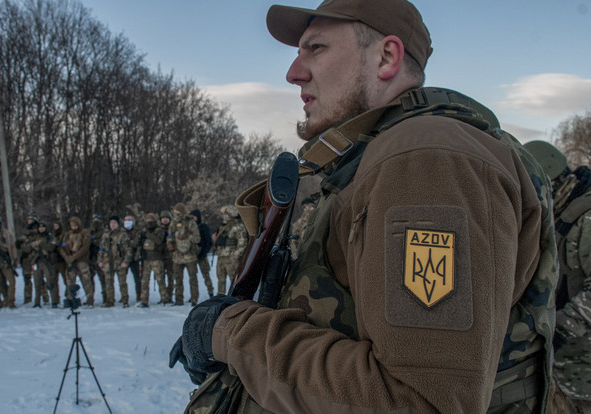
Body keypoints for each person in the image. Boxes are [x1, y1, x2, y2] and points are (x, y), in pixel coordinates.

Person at [169, 1, 559, 412]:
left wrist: (229, 333)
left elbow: (419, 401)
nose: (293, 73)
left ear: (387, 57)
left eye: (315, 49)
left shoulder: (426, 159)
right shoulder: (377, 159)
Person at [525, 140, 591, 413]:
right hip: (564, 365)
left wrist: (560, 329)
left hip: (582, 369)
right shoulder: (560, 212)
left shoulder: (586, 219)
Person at [166, 203, 201, 306]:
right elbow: (170, 235)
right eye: (175, 213)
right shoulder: (173, 223)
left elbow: (197, 239)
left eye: (178, 213)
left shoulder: (191, 223)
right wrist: (170, 242)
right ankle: (179, 299)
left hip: (190, 256)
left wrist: (187, 236)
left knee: (193, 278)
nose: (176, 215)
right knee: (177, 279)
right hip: (177, 256)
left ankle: (194, 298)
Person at [212, 205, 248, 296]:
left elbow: (243, 243)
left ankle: (236, 299)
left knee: (234, 281)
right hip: (221, 257)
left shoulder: (238, 226)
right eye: (223, 214)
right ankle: (220, 297)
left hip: (231, 259)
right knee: (220, 279)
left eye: (226, 214)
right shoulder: (223, 226)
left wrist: (235, 256)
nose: (224, 216)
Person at [59, 216, 94, 307]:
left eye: (75, 225)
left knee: (86, 280)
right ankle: (71, 299)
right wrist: (66, 257)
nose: (73, 227)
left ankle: (90, 299)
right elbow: (62, 246)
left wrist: (74, 256)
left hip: (82, 260)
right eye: (72, 225)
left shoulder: (84, 233)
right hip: (69, 260)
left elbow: (85, 248)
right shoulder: (67, 234)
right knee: (70, 280)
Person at [97, 216, 132, 308]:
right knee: (108, 282)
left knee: (122, 283)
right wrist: (100, 261)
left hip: (119, 261)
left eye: (114, 223)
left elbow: (128, 250)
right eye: (111, 223)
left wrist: (125, 261)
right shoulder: (106, 235)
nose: (112, 225)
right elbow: (101, 248)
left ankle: (125, 300)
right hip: (108, 262)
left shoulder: (122, 235)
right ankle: (110, 301)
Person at [137, 213, 167, 307]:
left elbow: (159, 241)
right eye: (148, 221)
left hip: (157, 258)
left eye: (151, 221)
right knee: (144, 281)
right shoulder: (143, 230)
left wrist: (148, 235)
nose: (149, 223)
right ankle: (144, 300)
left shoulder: (159, 230)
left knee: (160, 280)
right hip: (146, 259)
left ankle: (164, 298)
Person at [190, 209, 214, 297]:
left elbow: (209, 242)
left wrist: (203, 254)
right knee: (192, 277)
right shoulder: (189, 228)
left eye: (194, 216)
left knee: (206, 274)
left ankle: (210, 291)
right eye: (191, 217)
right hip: (192, 255)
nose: (193, 218)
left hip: (202, 254)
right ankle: (194, 295)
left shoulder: (203, 227)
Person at [123, 214, 142, 300]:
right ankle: (124, 296)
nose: (127, 222)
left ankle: (139, 295)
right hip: (124, 258)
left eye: (129, 220)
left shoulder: (137, 232)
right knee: (122, 279)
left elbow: (137, 244)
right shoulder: (121, 232)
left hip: (135, 258)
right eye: (126, 220)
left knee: (137, 279)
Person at [159, 210, 175, 304]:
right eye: (163, 218)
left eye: (166, 218)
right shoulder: (158, 229)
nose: (165, 220)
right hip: (161, 257)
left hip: (170, 257)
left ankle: (170, 295)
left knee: (171, 278)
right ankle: (163, 296)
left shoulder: (172, 228)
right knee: (161, 278)